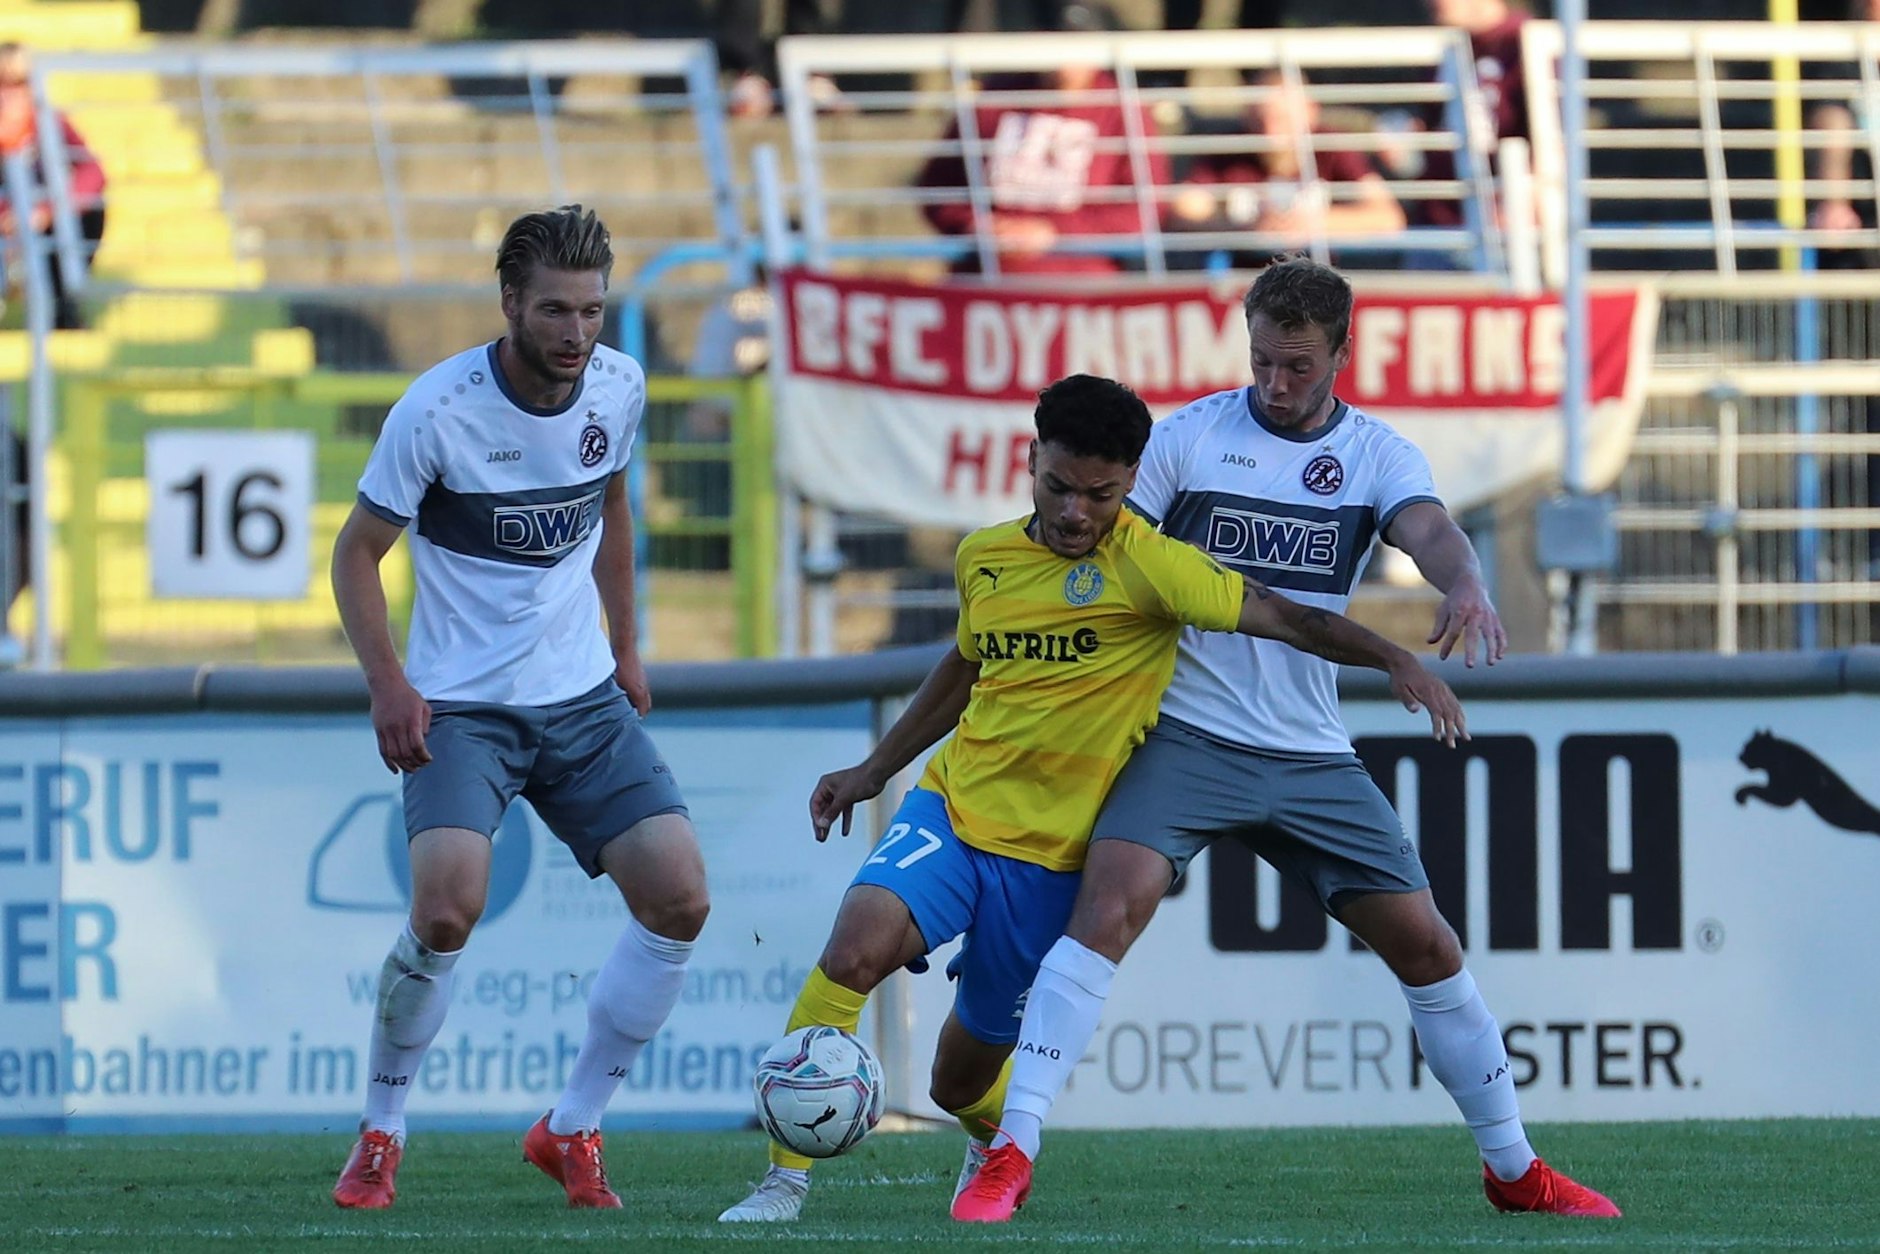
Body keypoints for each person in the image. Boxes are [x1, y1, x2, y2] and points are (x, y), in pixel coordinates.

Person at [953, 257, 1621, 1223]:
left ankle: (1514, 1170)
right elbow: (1099, 539)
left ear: (1344, 352)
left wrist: (1467, 582)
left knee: (1428, 947)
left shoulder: (1377, 454)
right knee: (1105, 912)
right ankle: (1012, 1153)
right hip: (1184, 734)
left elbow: (1427, 529)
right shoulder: (1186, 440)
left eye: (1298, 365)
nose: (1274, 383)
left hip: (1309, 750)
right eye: (1262, 360)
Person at [718, 372, 1465, 1223]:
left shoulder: (1156, 570)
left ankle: (993, 1139)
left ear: (1132, 480)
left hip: (1052, 862)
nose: (1076, 513)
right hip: (952, 812)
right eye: (1059, 487)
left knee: (957, 1081)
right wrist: (875, 769)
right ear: (1031, 461)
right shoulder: (983, 557)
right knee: (853, 951)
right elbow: (964, 667)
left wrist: (1395, 658)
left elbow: (1289, 618)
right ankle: (782, 1182)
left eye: (1101, 496)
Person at [328, 205, 711, 1210]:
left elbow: (613, 506)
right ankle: (381, 1129)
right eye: (554, 311)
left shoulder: (619, 385)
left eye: (591, 310)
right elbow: (356, 553)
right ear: (508, 304)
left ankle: (574, 1125)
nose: (576, 333)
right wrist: (388, 683)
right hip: (460, 707)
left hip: (580, 698)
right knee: (445, 908)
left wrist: (627, 645)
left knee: (680, 897)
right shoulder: (436, 410)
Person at [915, 20, 1171, 277]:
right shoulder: (997, 95)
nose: (1065, 63)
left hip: (1079, 281)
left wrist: (1054, 232)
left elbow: (1143, 210)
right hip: (986, 275)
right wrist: (978, 224)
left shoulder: (1123, 109)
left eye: (1077, 49)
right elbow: (938, 184)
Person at [1166, 70, 1407, 269]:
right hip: (1246, 285)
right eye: (1261, 119)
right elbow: (1182, 211)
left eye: (1281, 119)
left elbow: (1388, 217)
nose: (1270, 132)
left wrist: (1312, 224)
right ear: (1247, 114)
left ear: (1310, 112)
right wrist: (1244, 228)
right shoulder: (1229, 150)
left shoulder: (1331, 146)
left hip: (1321, 284)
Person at [0, 42, 106, 329]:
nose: (11, 91)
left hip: (41, 222)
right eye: (3, 81)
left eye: (20, 81)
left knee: (89, 211)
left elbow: (93, 171)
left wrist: (46, 211)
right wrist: (9, 215)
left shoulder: (49, 122)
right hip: (7, 226)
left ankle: (63, 308)